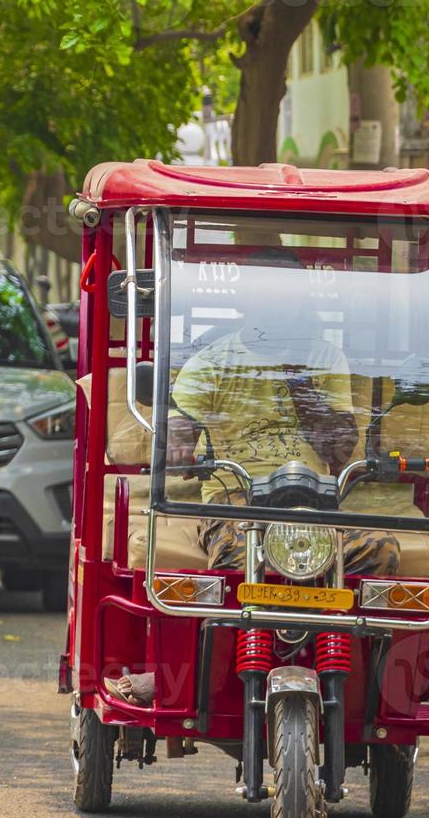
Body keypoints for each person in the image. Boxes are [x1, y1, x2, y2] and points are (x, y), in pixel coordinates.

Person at [164, 248, 400, 578]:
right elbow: (180, 421)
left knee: (381, 549)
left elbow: (340, 451)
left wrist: (298, 377)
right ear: (243, 302)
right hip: (235, 498)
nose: (274, 306)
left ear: (301, 303)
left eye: (285, 297)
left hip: (312, 498)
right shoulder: (210, 362)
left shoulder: (325, 357)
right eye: (263, 295)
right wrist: (178, 443)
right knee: (240, 557)